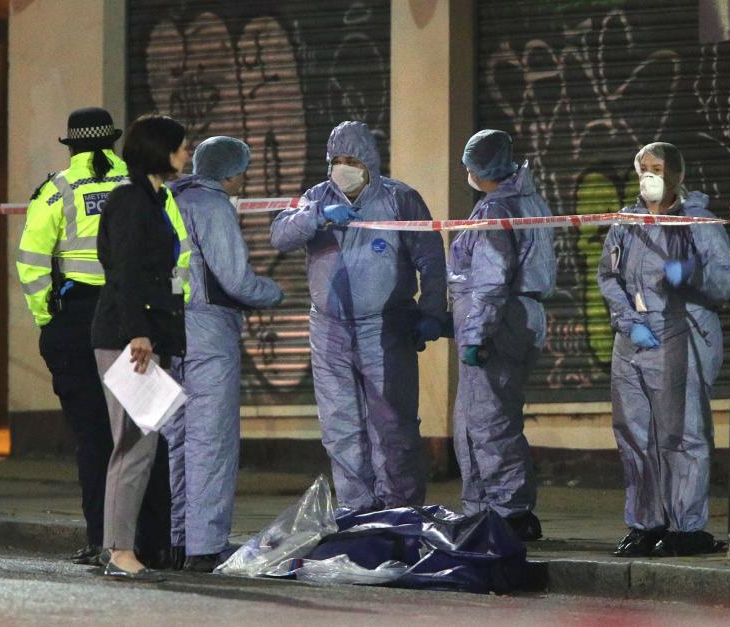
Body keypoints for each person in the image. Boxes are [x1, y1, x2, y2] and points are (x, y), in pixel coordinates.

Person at [16, 107, 171, 567]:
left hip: (80, 320)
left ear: (73, 145)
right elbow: (176, 247)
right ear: (113, 141)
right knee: (145, 432)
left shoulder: (58, 188)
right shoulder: (143, 185)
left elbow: (31, 261)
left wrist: (48, 317)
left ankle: (103, 541)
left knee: (95, 437)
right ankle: (154, 543)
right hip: (137, 319)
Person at [270, 120, 447, 512]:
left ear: (370, 161)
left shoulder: (401, 200)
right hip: (329, 330)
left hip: (384, 328)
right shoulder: (316, 199)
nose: (342, 167)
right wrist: (315, 217)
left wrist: (432, 311)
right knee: (340, 426)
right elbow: (280, 236)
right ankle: (356, 510)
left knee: (392, 425)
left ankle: (399, 510)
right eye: (336, 159)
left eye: (351, 159)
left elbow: (431, 259)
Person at [597, 142, 730, 557]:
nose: (648, 176)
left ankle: (686, 528)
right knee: (634, 434)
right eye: (643, 168)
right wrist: (628, 323)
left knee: (683, 434)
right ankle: (645, 524)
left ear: (676, 173)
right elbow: (608, 275)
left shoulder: (699, 222)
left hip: (682, 333)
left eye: (657, 168)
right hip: (633, 340)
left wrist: (690, 274)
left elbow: (724, 284)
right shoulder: (625, 221)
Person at [164, 136, 284, 572]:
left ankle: (175, 540)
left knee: (175, 439)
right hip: (207, 333)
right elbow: (235, 279)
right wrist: (273, 293)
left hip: (167, 331)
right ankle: (205, 545)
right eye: (243, 173)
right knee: (209, 442)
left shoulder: (169, 198)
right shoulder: (214, 207)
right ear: (231, 173)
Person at [91, 113, 192, 580]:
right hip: (128, 339)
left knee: (140, 445)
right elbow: (125, 272)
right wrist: (138, 333)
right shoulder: (132, 201)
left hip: (143, 336)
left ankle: (119, 547)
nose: (186, 153)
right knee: (134, 446)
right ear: (160, 151)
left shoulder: (153, 199)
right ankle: (119, 550)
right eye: (180, 146)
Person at [448, 129, 556, 542]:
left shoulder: (498, 209)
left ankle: (508, 511)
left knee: (489, 421)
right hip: (513, 317)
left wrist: (475, 333)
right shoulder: (526, 199)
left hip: (499, 321)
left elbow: (491, 280)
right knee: (479, 418)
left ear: (478, 167)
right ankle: (485, 509)